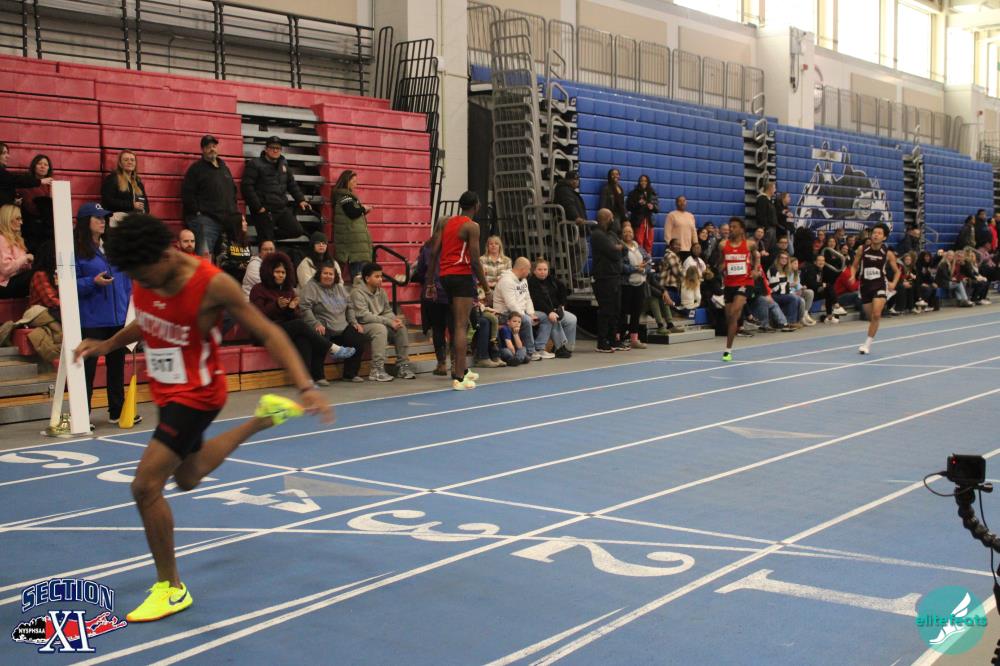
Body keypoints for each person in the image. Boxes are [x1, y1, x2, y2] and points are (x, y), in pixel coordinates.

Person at [74, 213, 331, 623]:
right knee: (188, 477)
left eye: (144, 275)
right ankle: (262, 419)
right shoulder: (145, 271)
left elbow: (270, 332)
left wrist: (306, 386)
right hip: (167, 391)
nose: (143, 283)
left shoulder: (212, 284)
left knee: (145, 486)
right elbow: (146, 321)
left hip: (198, 394)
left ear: (164, 254)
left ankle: (171, 588)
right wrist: (107, 345)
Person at [250, 252, 353, 386]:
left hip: (282, 330)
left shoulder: (288, 290)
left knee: (303, 338)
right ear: (269, 272)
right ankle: (333, 348)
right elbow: (256, 316)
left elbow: (291, 317)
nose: (281, 275)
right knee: (300, 325)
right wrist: (276, 305)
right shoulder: (258, 289)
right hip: (263, 332)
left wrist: (291, 308)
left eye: (283, 272)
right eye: (277, 272)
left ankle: (306, 379)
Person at [74, 202, 132, 424]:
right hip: (92, 317)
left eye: (103, 218)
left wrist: (127, 308)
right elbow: (69, 284)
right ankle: (83, 414)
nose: (102, 221)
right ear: (85, 221)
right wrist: (93, 282)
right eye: (97, 217)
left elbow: (126, 280)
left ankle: (117, 410)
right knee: (88, 368)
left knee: (116, 366)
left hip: (117, 316)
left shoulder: (112, 247)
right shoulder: (76, 250)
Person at [427, 192, 490, 390]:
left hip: (444, 277)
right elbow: (475, 261)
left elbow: (434, 252)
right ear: (476, 205)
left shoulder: (446, 223)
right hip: (461, 277)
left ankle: (462, 368)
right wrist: (487, 288)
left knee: (458, 324)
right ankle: (459, 377)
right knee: (461, 326)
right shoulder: (472, 226)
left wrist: (430, 283)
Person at [298, 262, 368, 382]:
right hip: (323, 325)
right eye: (325, 273)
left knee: (357, 337)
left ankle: (350, 374)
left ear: (335, 276)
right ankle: (318, 376)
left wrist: (353, 322)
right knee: (319, 337)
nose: (328, 276)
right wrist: (315, 323)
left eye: (331, 274)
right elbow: (305, 308)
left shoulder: (339, 288)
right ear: (319, 274)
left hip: (342, 326)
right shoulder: (311, 287)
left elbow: (350, 306)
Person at [351, 262, 416, 382]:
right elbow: (364, 316)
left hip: (378, 322)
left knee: (400, 327)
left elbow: (387, 311)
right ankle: (376, 369)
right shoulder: (357, 293)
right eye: (377, 276)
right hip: (361, 325)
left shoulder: (381, 291)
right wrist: (389, 322)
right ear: (367, 278)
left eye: (381, 276)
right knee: (379, 329)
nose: (380, 279)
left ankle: (402, 366)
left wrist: (394, 320)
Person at [181, 135, 243, 259]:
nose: (212, 149)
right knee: (205, 255)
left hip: (227, 220)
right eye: (208, 147)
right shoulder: (196, 169)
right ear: (203, 150)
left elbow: (233, 192)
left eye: (214, 146)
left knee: (229, 257)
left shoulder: (224, 168)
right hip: (206, 220)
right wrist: (197, 213)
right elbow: (187, 194)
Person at [241, 136, 311, 242]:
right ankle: (266, 239)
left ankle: (267, 238)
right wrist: (258, 207)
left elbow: (292, 184)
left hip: (281, 208)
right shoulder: (255, 164)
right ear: (266, 149)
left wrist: (301, 200)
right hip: (264, 211)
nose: (275, 150)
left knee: (297, 230)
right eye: (272, 147)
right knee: (267, 241)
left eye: (278, 148)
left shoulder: (284, 164)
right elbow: (247, 187)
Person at [850, 222, 899, 355]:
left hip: (880, 284)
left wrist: (893, 283)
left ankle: (867, 344)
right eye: (874, 233)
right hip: (865, 286)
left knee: (876, 314)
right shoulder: (862, 249)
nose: (876, 235)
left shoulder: (887, 253)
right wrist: (852, 275)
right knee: (871, 317)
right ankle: (873, 329)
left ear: (884, 237)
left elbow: (897, 271)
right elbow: (854, 266)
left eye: (879, 233)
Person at [412, 219, 453, 376]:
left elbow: (421, 270)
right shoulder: (455, 247)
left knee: (438, 328)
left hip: (432, 292)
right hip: (451, 291)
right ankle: (455, 363)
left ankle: (441, 363)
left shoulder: (428, 246)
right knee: (455, 328)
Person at [718, 217, 759, 362]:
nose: (731, 229)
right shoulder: (723, 245)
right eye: (730, 226)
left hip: (745, 282)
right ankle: (728, 350)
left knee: (734, 311)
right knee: (730, 318)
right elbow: (720, 262)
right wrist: (721, 267)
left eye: (734, 227)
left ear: (741, 229)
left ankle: (742, 312)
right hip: (729, 284)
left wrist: (755, 269)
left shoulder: (750, 244)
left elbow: (757, 256)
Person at [493, 257, 541, 358]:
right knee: (526, 320)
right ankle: (531, 351)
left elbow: (527, 298)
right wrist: (526, 316)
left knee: (544, 317)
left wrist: (532, 313)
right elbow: (511, 305)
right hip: (504, 313)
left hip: (520, 311)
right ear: (523, 269)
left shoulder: (523, 280)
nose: (529, 272)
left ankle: (541, 347)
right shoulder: (506, 281)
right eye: (528, 269)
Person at [528, 258, 575, 358]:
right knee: (553, 319)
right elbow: (538, 301)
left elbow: (563, 289)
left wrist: (562, 305)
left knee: (572, 319)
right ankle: (560, 347)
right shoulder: (531, 282)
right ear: (534, 271)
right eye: (540, 269)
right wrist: (549, 312)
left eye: (545, 269)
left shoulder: (551, 279)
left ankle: (568, 347)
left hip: (554, 309)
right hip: (539, 310)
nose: (543, 272)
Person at [332, 170, 373, 282]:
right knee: (358, 274)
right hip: (353, 243)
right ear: (347, 181)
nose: (356, 183)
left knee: (360, 273)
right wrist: (364, 208)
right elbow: (352, 213)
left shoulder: (345, 196)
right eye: (354, 181)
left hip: (355, 242)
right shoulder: (345, 197)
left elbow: (351, 214)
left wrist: (363, 210)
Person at [591, 208, 623, 353]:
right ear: (606, 219)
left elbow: (623, 250)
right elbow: (614, 253)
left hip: (614, 276)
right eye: (611, 218)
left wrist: (618, 248)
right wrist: (617, 248)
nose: (613, 221)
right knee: (606, 310)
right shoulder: (597, 235)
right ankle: (602, 341)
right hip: (604, 278)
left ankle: (613, 339)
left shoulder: (610, 234)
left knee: (615, 310)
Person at [551, 170, 592, 274]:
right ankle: (572, 275)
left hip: (573, 227)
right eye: (574, 179)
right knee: (581, 251)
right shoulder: (565, 191)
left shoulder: (567, 190)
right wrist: (576, 217)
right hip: (571, 227)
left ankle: (572, 275)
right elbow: (569, 205)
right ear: (569, 180)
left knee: (577, 252)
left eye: (577, 180)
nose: (576, 182)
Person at [619, 224, 651, 349]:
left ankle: (634, 339)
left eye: (630, 231)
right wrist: (636, 268)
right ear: (622, 234)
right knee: (623, 312)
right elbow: (621, 267)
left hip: (640, 283)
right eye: (625, 232)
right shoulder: (621, 247)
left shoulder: (639, 247)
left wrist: (644, 269)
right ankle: (619, 338)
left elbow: (648, 261)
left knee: (636, 312)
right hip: (626, 284)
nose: (628, 234)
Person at [18, 154, 53, 253]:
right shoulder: (26, 183)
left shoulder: (53, 185)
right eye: (39, 163)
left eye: (46, 164)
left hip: (47, 228)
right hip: (30, 227)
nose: (42, 166)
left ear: (49, 168)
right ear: (34, 166)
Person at [101, 150, 150, 218]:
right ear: (120, 163)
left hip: (135, 218)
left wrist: (144, 214)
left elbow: (145, 203)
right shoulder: (112, 179)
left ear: (135, 164)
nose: (130, 162)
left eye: (132, 160)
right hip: (119, 218)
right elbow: (108, 201)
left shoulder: (138, 182)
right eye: (126, 160)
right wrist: (131, 205)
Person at [0, 204, 33, 298]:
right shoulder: (1, 239)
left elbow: (21, 268)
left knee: (40, 272)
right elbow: (6, 269)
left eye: (21, 219)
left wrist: (28, 263)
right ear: (7, 220)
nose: (21, 222)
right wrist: (26, 258)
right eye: (18, 219)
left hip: (14, 281)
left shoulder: (17, 240)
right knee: (37, 273)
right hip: (4, 285)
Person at [626, 175, 658, 254]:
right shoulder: (633, 193)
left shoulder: (653, 193)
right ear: (639, 182)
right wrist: (638, 203)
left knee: (649, 242)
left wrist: (652, 207)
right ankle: (639, 259)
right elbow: (628, 207)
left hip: (649, 221)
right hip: (638, 220)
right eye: (641, 181)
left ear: (648, 182)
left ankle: (648, 259)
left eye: (645, 181)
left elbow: (657, 209)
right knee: (638, 241)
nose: (643, 182)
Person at [665, 195, 697, 263]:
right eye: (680, 201)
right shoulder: (671, 215)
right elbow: (667, 232)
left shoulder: (691, 216)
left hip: (688, 249)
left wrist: (696, 244)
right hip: (676, 249)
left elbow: (694, 232)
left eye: (684, 201)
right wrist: (669, 246)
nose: (682, 203)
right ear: (676, 203)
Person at [598, 168, 626, 235]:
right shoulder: (606, 189)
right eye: (613, 174)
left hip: (621, 215)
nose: (615, 176)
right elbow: (602, 205)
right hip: (612, 216)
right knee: (615, 233)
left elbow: (622, 203)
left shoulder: (620, 188)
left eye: (617, 174)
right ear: (609, 176)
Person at [755, 180, 778, 251]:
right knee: (764, 249)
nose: (775, 190)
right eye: (774, 188)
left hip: (772, 228)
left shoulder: (769, 200)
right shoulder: (762, 199)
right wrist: (766, 227)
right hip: (767, 229)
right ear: (770, 189)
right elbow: (761, 215)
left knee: (771, 249)